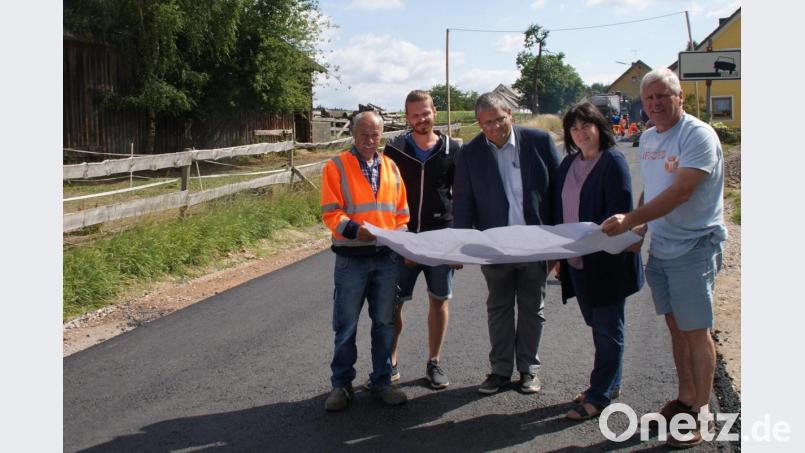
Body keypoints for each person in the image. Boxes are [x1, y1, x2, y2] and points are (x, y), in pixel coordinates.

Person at [601, 67, 726, 448]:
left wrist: (631, 221)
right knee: (676, 327)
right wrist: (641, 228)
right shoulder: (651, 137)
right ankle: (686, 399)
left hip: (695, 246)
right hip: (664, 246)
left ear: (680, 98)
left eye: (662, 96)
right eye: (649, 98)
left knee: (694, 330)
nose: (654, 103)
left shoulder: (698, 135)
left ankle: (702, 413)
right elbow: (654, 190)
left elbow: (681, 192)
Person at [453, 92, 561, 395]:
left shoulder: (540, 142)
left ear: (510, 115)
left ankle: (528, 369)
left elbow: (558, 193)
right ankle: (500, 370)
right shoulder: (470, 153)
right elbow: (463, 202)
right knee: (498, 308)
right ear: (479, 123)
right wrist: (462, 243)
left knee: (532, 308)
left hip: (535, 244)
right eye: (487, 123)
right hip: (495, 247)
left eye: (499, 119)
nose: (494, 127)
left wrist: (559, 247)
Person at [552, 102, 644, 421]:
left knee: (608, 328)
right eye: (574, 128)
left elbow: (619, 214)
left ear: (599, 127)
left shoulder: (613, 162)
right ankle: (609, 382)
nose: (580, 133)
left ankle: (600, 394)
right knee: (597, 325)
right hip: (577, 263)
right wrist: (557, 255)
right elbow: (557, 213)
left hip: (607, 263)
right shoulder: (567, 165)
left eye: (585, 126)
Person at [320, 110, 411, 411]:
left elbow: (401, 213)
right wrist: (353, 230)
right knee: (345, 325)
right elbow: (331, 211)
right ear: (353, 134)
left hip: (386, 259)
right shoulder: (336, 166)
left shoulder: (391, 167)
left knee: (384, 323)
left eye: (375, 135)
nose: (370, 141)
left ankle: (383, 381)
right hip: (351, 259)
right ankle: (341, 385)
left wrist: (400, 232)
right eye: (364, 135)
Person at [383, 90, 463, 390]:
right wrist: (396, 240)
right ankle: (389, 363)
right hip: (404, 239)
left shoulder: (453, 149)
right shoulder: (395, 150)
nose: (421, 119)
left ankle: (434, 362)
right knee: (393, 305)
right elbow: (385, 198)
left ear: (435, 112)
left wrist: (457, 244)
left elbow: (462, 198)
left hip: (441, 239)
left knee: (439, 300)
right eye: (415, 115)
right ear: (407, 117)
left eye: (426, 113)